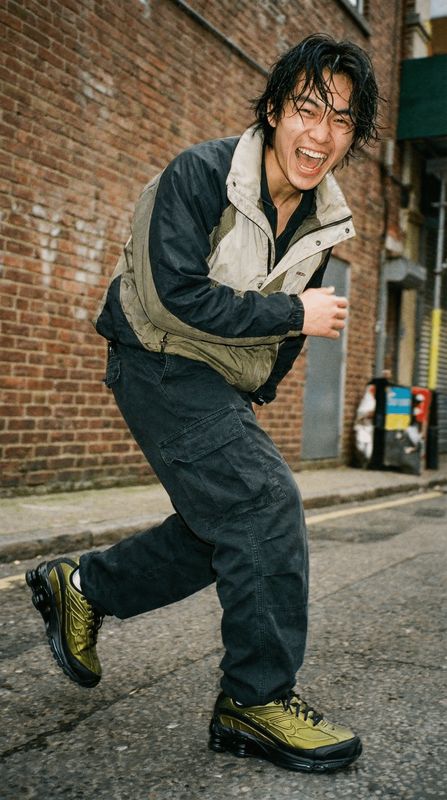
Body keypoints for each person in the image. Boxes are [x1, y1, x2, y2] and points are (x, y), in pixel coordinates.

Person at [26, 33, 379, 773]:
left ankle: (82, 587)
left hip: (216, 384)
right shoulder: (201, 174)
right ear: (277, 109)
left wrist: (259, 387)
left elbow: (284, 326)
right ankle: (256, 699)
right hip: (154, 356)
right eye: (308, 109)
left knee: (223, 527)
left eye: (342, 120)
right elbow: (174, 293)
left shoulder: (322, 220)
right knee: (263, 502)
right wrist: (293, 318)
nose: (321, 134)